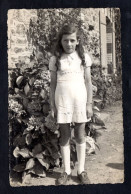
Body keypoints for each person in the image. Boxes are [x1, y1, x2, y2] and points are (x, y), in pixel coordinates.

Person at [49, 24, 93, 185]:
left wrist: (89, 103)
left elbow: (88, 82)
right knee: (65, 135)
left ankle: (81, 170)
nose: (69, 44)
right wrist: (52, 106)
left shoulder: (83, 58)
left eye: (72, 40)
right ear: (61, 41)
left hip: (80, 101)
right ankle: (66, 170)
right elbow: (52, 85)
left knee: (80, 135)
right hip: (62, 101)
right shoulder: (55, 59)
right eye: (65, 40)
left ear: (77, 41)